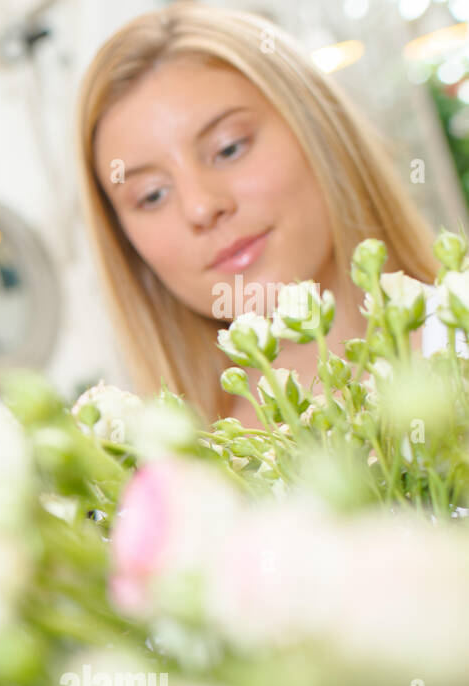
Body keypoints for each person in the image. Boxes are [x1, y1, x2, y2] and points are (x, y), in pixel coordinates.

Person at [75, 3, 451, 426]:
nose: (201, 206)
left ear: (320, 132)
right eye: (152, 195)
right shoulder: (178, 473)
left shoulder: (459, 339)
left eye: (229, 148)